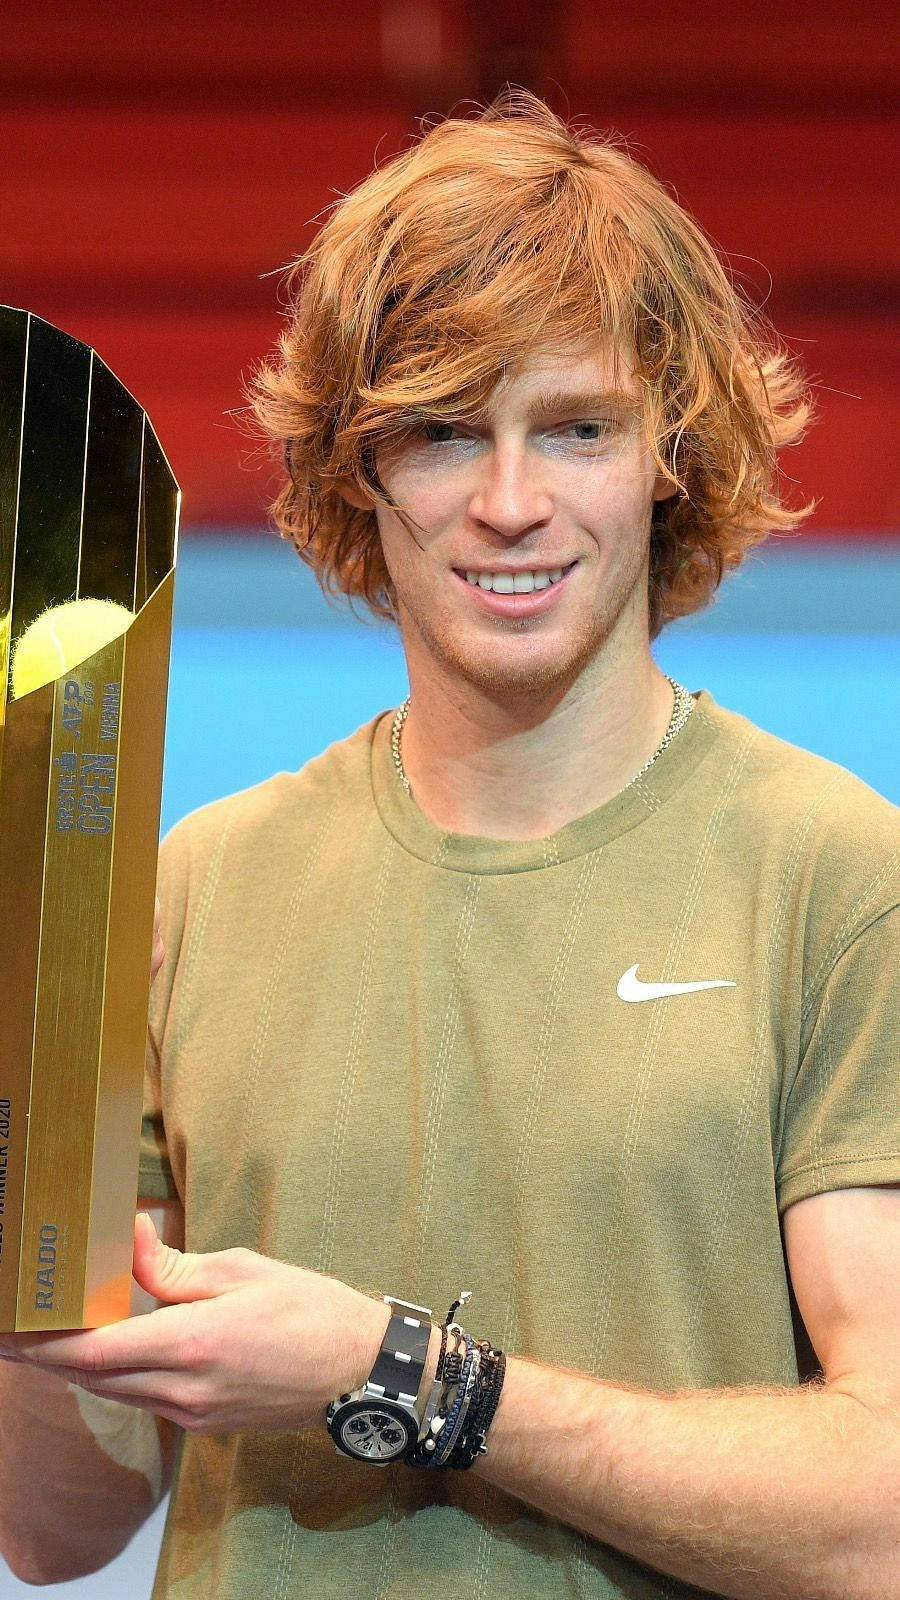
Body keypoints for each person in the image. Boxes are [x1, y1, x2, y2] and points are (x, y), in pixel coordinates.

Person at [1, 92, 898, 1600]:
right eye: (438, 432)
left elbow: (881, 1521)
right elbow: (62, 1524)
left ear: (671, 450)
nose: (508, 504)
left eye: (577, 429)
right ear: (356, 468)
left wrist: (406, 1375)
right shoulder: (184, 894)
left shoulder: (836, 879)